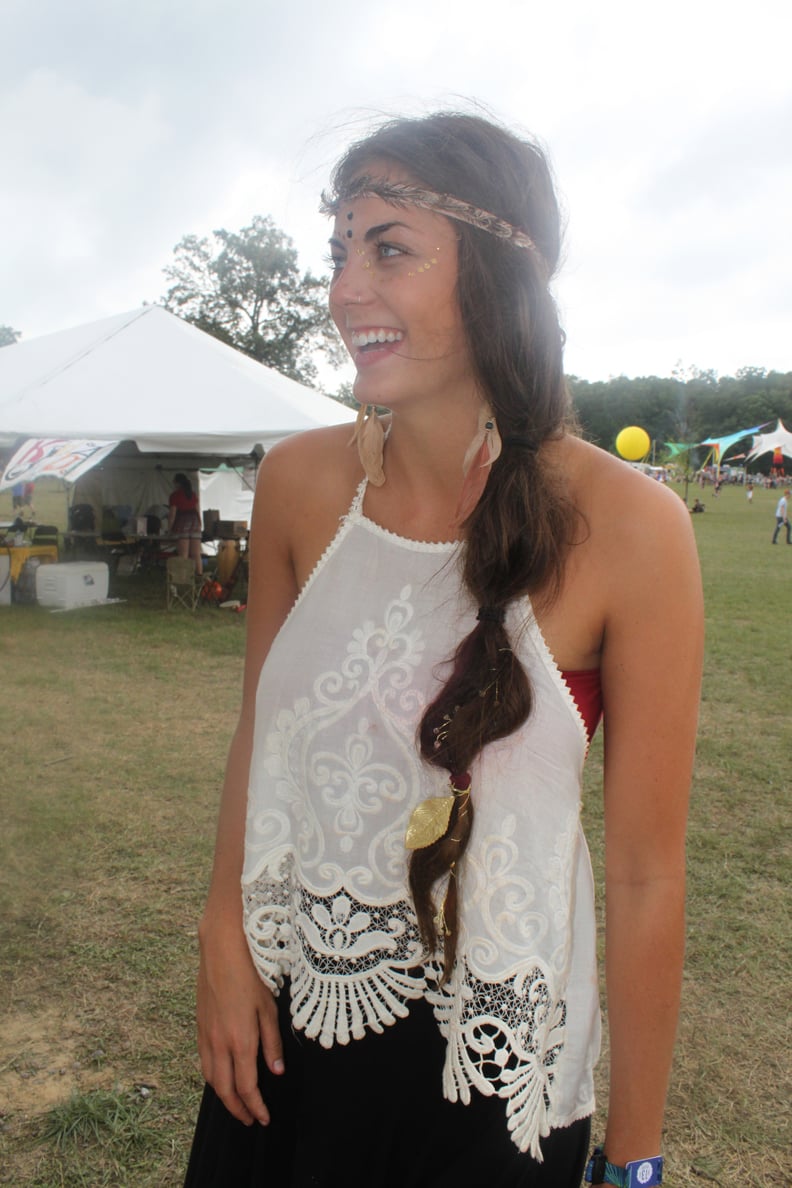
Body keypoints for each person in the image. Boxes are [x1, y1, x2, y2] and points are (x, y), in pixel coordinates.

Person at [185, 113, 703, 1188]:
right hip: (287, 1039)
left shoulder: (634, 530)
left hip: (491, 1080)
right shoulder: (300, 487)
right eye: (340, 250)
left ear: (497, 274)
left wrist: (635, 1161)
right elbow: (263, 737)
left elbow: (650, 875)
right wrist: (223, 933)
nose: (343, 291)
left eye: (389, 248)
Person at [168, 473, 203, 572]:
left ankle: (183, 578)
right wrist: (200, 524)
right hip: (195, 522)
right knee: (196, 554)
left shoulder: (174, 495)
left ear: (177, 483)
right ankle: (199, 576)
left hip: (182, 522)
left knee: (183, 555)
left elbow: (172, 514)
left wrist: (170, 528)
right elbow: (197, 510)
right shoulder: (192, 494)